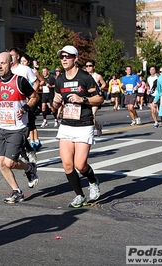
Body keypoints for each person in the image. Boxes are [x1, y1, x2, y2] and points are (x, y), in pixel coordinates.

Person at [52, 45, 104, 208]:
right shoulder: (59, 80)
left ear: (75, 58)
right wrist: (54, 103)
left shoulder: (85, 77)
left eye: (67, 56)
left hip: (83, 124)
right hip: (67, 124)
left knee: (80, 165)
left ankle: (93, 181)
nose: (64, 59)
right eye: (62, 57)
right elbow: (55, 103)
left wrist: (83, 100)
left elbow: (99, 98)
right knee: (67, 164)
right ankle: (79, 195)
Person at [0, 52, 40, 204]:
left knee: (9, 163)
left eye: (3, 63)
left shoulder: (20, 81)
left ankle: (29, 168)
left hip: (18, 127)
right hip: (1, 127)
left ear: (10, 64)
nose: (0, 66)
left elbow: (35, 97)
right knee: (0, 163)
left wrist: (24, 109)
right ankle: (17, 191)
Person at [84, 59, 106, 136]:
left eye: (90, 66)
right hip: (87, 97)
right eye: (86, 66)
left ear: (94, 67)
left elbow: (104, 84)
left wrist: (99, 88)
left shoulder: (97, 76)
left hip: (96, 97)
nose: (88, 67)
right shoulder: (84, 76)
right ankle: (98, 127)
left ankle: (90, 133)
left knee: (92, 115)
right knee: (88, 116)